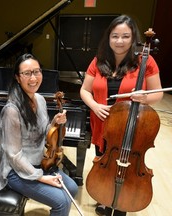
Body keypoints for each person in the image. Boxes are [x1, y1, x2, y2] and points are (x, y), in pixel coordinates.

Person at [80, 15, 163, 216]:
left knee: (126, 165)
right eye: (115, 36)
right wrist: (94, 106)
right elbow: (85, 90)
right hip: (102, 123)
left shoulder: (145, 60)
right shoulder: (98, 61)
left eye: (125, 36)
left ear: (133, 37)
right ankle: (106, 197)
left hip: (131, 127)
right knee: (104, 160)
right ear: (108, 37)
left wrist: (145, 99)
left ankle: (122, 202)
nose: (119, 41)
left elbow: (158, 93)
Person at [0, 53, 78, 216]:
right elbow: (14, 155)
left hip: (40, 162)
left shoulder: (40, 99)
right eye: (27, 73)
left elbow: (44, 132)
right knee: (62, 202)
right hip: (16, 171)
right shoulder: (12, 110)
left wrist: (54, 123)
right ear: (18, 78)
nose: (33, 78)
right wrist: (41, 177)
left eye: (36, 71)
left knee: (72, 189)